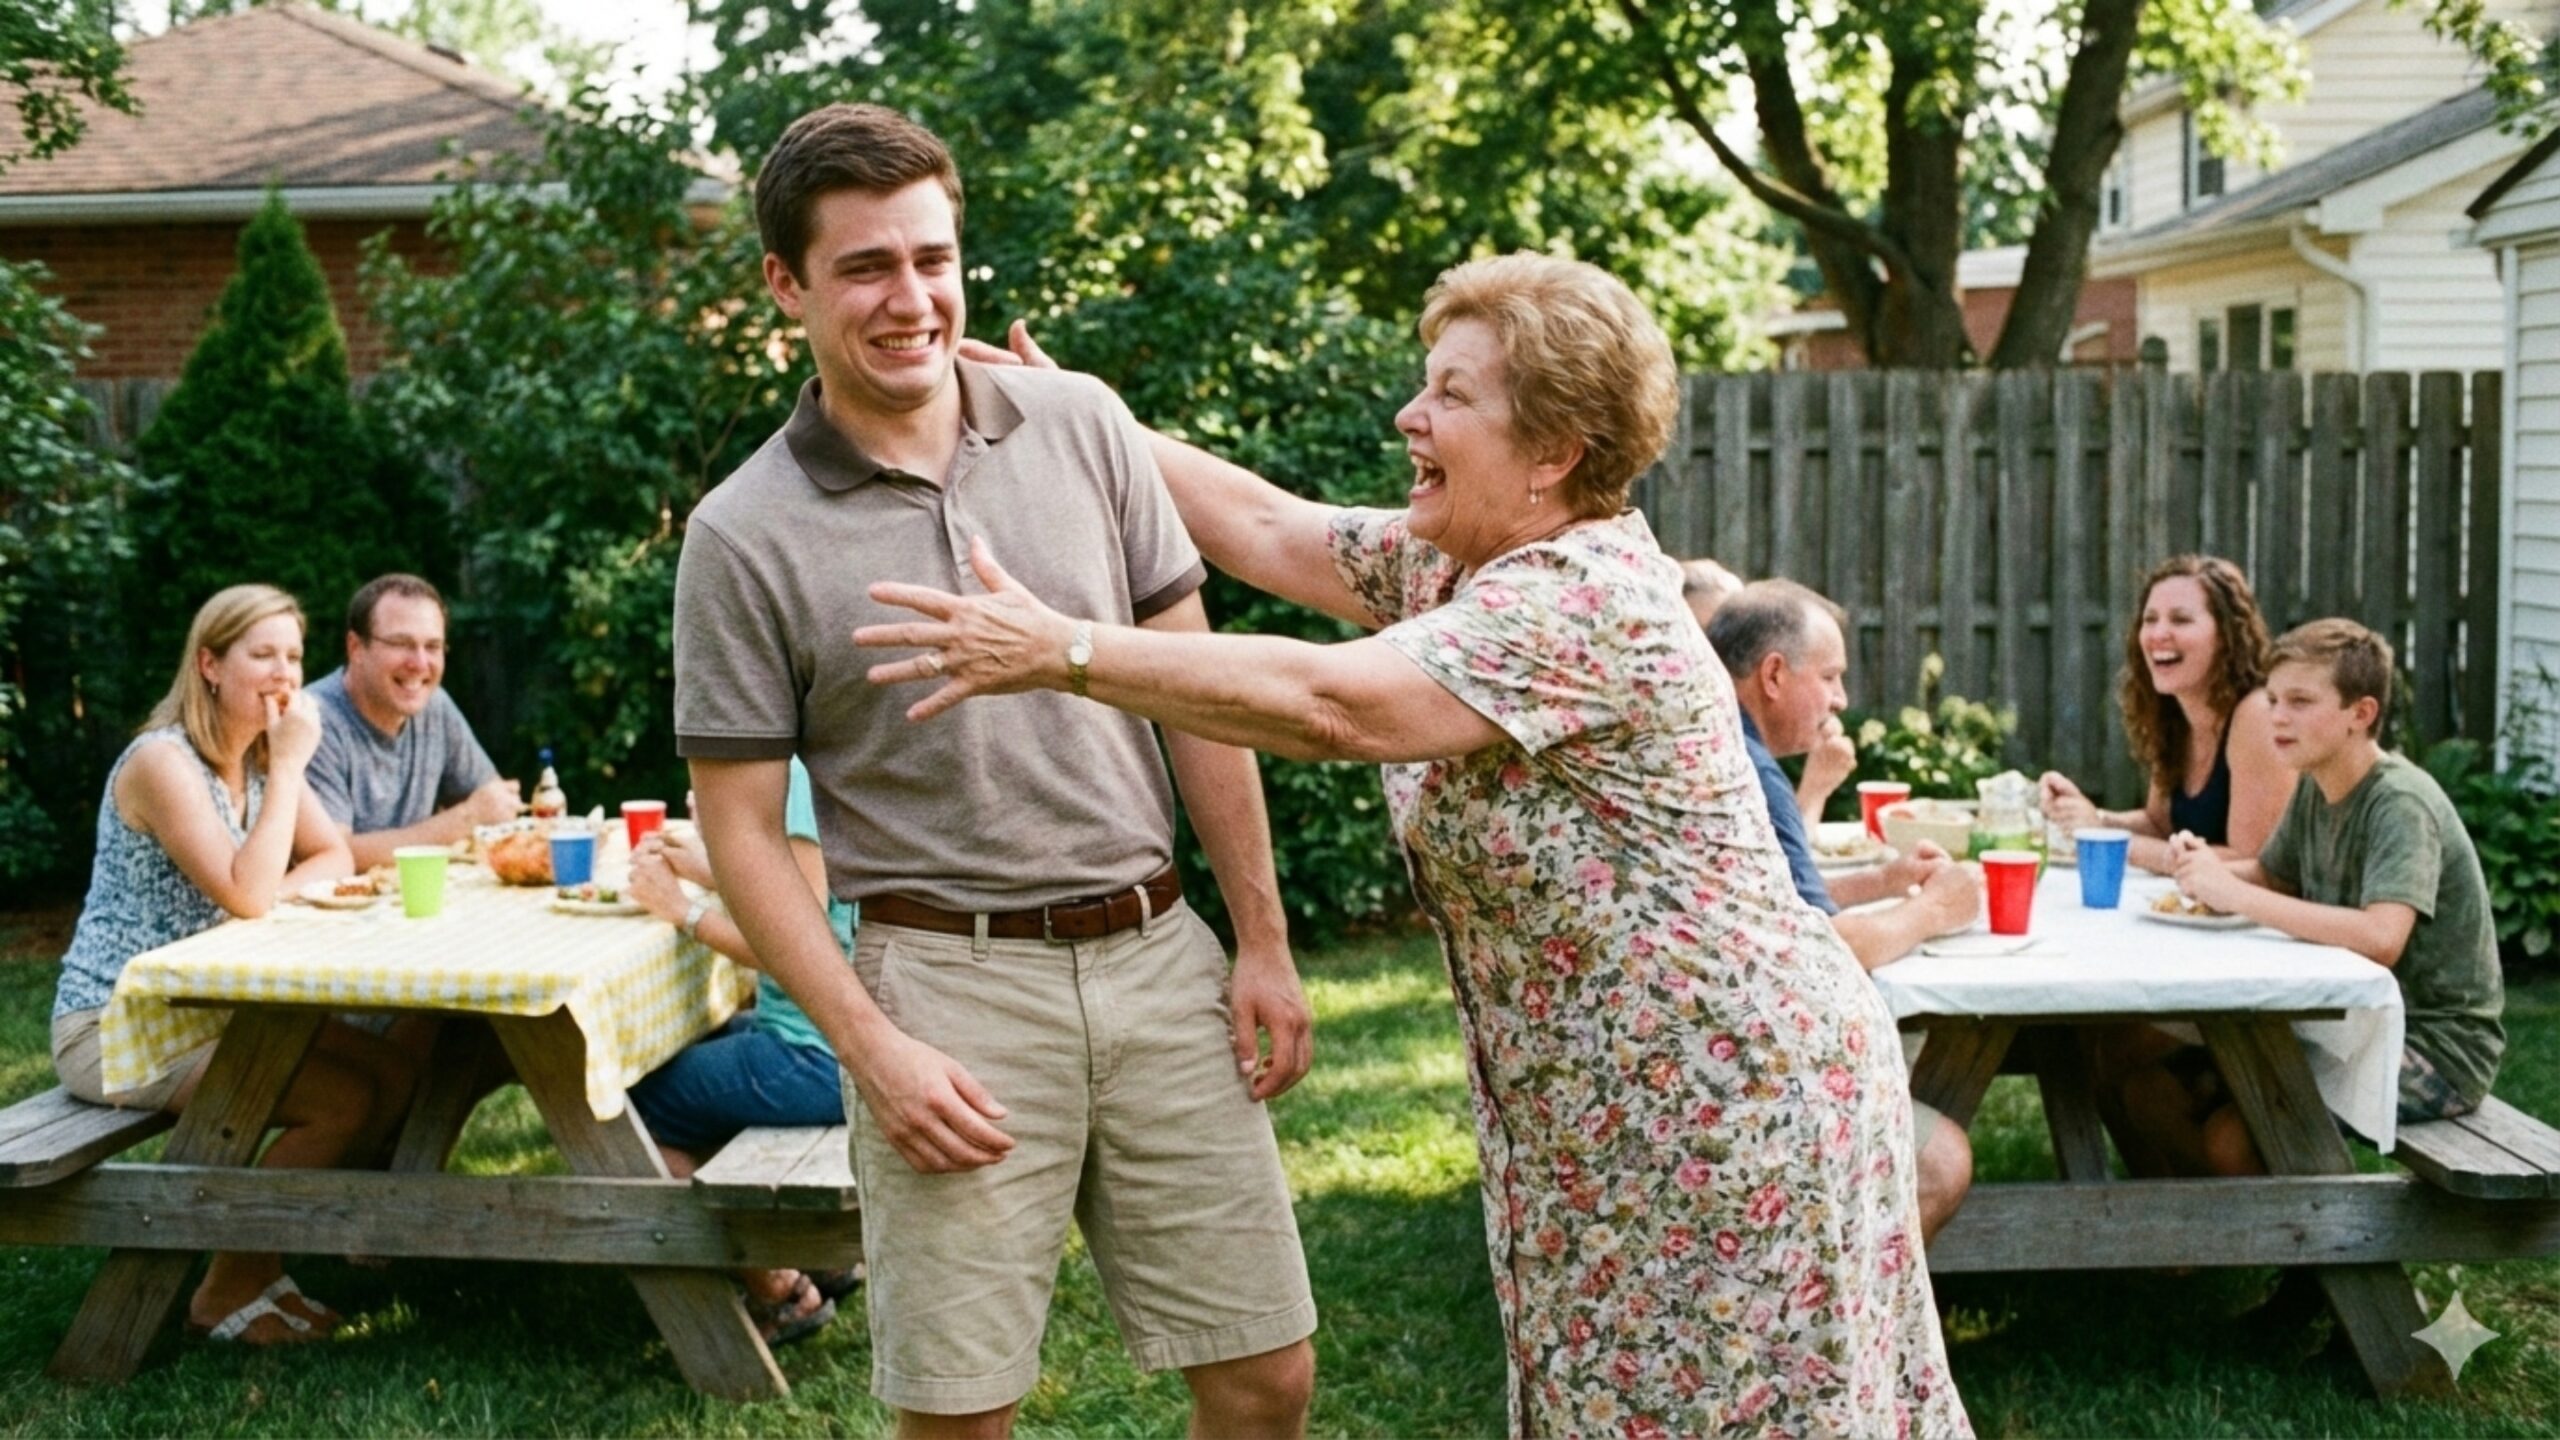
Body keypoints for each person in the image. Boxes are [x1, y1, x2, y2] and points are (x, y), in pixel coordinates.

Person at [872, 254, 1969, 1437]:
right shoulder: (1461, 562)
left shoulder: (1576, 599)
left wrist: (1062, 652)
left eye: (1451, 393)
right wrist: (1089, 418)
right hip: (1618, 1106)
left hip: (1722, 1101)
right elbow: (1266, 526)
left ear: (1552, 451)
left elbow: (1332, 706)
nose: (1411, 414)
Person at [672, 104, 1318, 1439]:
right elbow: (737, 829)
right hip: (944, 990)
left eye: (932, 258)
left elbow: (1197, 697)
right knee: (962, 1415)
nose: (910, 298)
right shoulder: (744, 535)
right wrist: (874, 1050)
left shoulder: (1083, 425)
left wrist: (1257, 935)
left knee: (1265, 1376)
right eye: (865, 267)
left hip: (1157, 958)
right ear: (786, 285)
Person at [50, 585, 417, 1346]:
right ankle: (224, 1288)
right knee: (340, 1103)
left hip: (211, 1009)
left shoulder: (252, 760)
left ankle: (263, 1263)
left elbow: (334, 854)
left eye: (292, 656)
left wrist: (264, 881)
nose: (284, 673)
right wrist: (287, 776)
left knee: (391, 1074)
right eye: (262, 655)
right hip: (118, 1025)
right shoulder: (163, 762)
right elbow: (252, 894)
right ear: (210, 664)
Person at [2148, 620, 2504, 1176]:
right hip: (2345, 1022)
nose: (2278, 717)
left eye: (2300, 701)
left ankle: (2310, 1250)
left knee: (2230, 1135)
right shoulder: (2317, 784)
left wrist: (2235, 893)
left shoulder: (2399, 804)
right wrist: (2201, 870)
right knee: (2138, 1066)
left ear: (2360, 714)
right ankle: (2183, 1249)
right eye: (2272, 700)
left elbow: (2382, 938)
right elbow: (2271, 876)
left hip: (2431, 1048)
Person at [1706, 579, 1981, 1242]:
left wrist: (1884, 883)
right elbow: (1827, 946)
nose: (1841, 700)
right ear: (1774, 674)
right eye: (1829, 676)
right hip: (1735, 1071)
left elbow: (1780, 906)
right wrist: (1934, 910)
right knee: (1941, 1161)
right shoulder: (1750, 770)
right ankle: (1845, 1339)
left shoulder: (1719, 744)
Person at [623, 761, 855, 1347]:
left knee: (618, 1107)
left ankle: (777, 1285)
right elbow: (793, 890)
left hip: (821, 1054)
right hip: (839, 1035)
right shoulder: (813, 759)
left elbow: (798, 944)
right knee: (687, 1055)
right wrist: (702, 867)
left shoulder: (796, 777)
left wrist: (684, 911)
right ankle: (810, 1251)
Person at [2038, 555, 2288, 874]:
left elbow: (2249, 861)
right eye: (2150, 619)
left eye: (2181, 620)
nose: (2158, 634)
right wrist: (2089, 816)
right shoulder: (2175, 712)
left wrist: (2106, 837)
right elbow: (2159, 825)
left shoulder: (2258, 716)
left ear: (2226, 636)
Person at [306, 574, 520, 872]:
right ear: (356, 648)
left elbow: (495, 802)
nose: (419, 663)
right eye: (401, 643)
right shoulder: (313, 720)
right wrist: (465, 820)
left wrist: (495, 809)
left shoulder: (434, 705)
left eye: (432, 646)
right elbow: (332, 856)